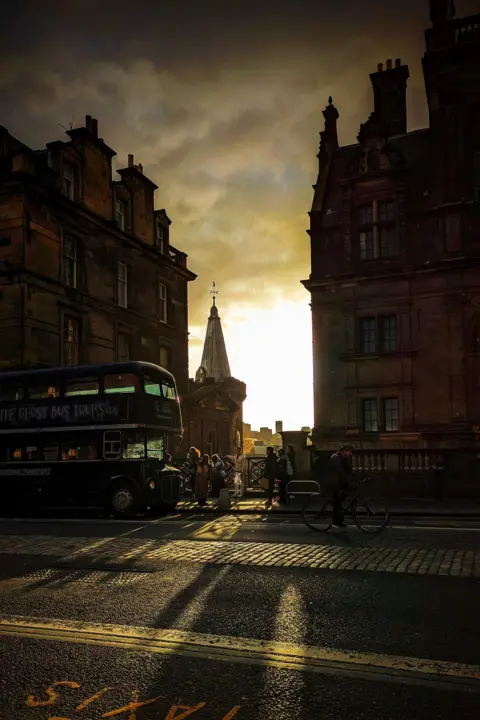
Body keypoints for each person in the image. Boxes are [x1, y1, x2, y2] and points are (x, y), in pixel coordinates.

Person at [327, 444, 355, 527]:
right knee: (338, 502)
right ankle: (336, 521)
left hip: (339, 482)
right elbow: (340, 472)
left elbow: (348, 470)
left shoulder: (344, 458)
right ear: (344, 451)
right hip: (334, 483)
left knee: (340, 500)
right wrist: (349, 481)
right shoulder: (336, 458)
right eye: (350, 452)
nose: (351, 454)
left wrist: (355, 478)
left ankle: (338, 520)